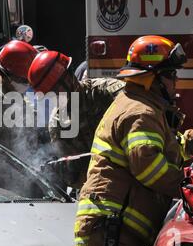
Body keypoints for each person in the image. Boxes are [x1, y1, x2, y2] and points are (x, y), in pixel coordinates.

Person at [73, 35, 193, 246]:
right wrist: (191, 187)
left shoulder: (143, 107)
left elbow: (162, 150)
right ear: (152, 79)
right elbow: (149, 167)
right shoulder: (140, 113)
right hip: (115, 226)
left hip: (119, 227)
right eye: (171, 75)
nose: (175, 81)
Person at [27, 50, 125, 189]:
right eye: (49, 95)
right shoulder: (57, 123)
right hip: (99, 187)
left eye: (54, 92)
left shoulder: (106, 92)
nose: (54, 99)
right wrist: (67, 172)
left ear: (68, 79)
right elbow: (77, 177)